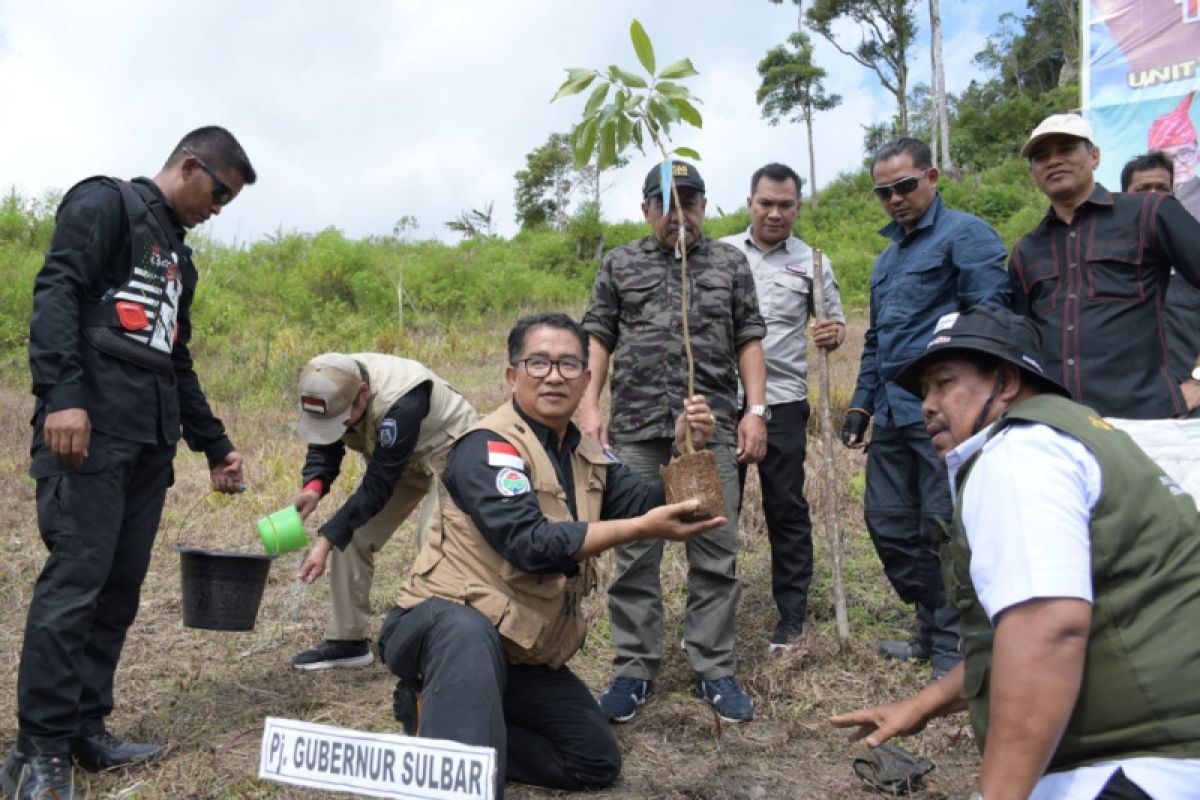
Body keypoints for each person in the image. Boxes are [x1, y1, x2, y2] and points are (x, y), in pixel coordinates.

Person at [831, 305, 1200, 800]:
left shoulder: (1017, 457)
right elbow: (1027, 635)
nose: (928, 405)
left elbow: (1048, 631)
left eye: (944, 383)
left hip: (1133, 771)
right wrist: (924, 704)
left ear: (1005, 383)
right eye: (923, 392)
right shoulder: (1076, 435)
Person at [1, 127, 256, 800]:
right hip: (87, 434)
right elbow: (56, 290)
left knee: (117, 590)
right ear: (191, 165)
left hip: (149, 446)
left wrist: (215, 444)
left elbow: (174, 360)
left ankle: (86, 726)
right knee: (75, 586)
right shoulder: (105, 203)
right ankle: (40, 750)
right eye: (220, 192)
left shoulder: (180, 258)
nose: (218, 208)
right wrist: (61, 396)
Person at [378, 312, 725, 798]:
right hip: (440, 628)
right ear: (512, 375)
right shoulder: (487, 448)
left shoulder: (586, 453)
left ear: (587, 381)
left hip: (514, 645)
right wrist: (638, 530)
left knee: (593, 759)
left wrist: (687, 447)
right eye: (538, 363)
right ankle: (457, 779)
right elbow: (529, 544)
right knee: (465, 630)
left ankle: (432, 719)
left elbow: (651, 503)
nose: (554, 376)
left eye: (568, 365)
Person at [580, 160, 768, 723]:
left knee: (715, 551)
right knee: (635, 552)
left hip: (708, 433)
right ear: (646, 210)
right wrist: (590, 407)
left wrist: (754, 413)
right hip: (637, 432)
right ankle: (633, 669)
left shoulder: (730, 264)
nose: (678, 214)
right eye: (665, 203)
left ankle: (714, 667)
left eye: (690, 202)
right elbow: (598, 339)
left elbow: (749, 341)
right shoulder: (621, 263)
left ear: (704, 207)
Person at [841, 138, 1010, 681]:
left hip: (945, 415)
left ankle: (953, 645)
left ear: (932, 176)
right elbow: (876, 341)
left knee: (944, 527)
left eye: (905, 186)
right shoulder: (886, 259)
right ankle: (928, 623)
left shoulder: (967, 235)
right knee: (890, 523)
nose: (895, 198)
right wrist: (861, 405)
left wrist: (973, 404)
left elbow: (990, 321)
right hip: (892, 414)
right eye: (883, 191)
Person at [719, 162, 845, 652]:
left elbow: (832, 329)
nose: (775, 213)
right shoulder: (721, 253)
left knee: (786, 508)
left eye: (786, 205)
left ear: (798, 207)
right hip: (721, 403)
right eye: (766, 203)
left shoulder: (814, 262)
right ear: (750, 202)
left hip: (784, 403)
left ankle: (791, 616)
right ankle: (713, 614)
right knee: (717, 510)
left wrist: (832, 334)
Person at [287, 352, 478, 669]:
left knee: (434, 539)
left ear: (363, 393)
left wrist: (324, 542)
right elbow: (326, 439)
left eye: (344, 419)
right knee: (352, 536)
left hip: (451, 450)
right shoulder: (331, 386)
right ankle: (347, 641)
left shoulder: (401, 402)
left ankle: (441, 641)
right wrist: (313, 487)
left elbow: (378, 486)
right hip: (401, 458)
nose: (340, 426)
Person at [1009, 112, 1200, 419]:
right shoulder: (1025, 252)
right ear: (1033, 173)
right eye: (1041, 156)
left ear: (1094, 156)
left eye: (1067, 149)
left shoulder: (1151, 212)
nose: (1054, 161)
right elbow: (1023, 346)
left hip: (1144, 418)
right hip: (1061, 425)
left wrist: (1198, 379)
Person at [1121, 151, 1200, 419]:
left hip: (1193, 406)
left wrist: (1197, 382)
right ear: (1122, 198)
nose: (1154, 197)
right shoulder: (1109, 268)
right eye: (1143, 189)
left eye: (1162, 189)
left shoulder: (1194, 258)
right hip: (1129, 406)